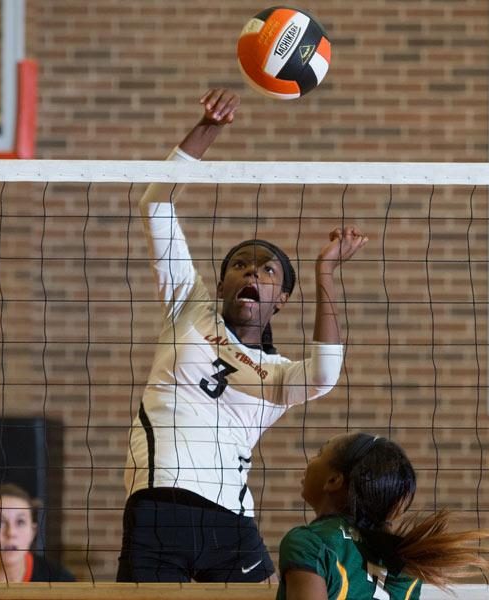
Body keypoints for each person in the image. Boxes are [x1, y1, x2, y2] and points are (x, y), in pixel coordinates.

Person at [118, 88, 369, 583]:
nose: (251, 272)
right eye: (239, 264)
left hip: (232, 522)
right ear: (224, 282)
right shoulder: (188, 306)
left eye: (267, 269)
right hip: (159, 506)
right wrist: (207, 127)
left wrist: (326, 275)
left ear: (281, 300)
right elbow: (155, 205)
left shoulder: (278, 376)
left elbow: (324, 374)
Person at [279, 432, 489, 599]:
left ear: (334, 481)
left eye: (319, 453)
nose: (310, 462)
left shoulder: (309, 542)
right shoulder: (404, 562)